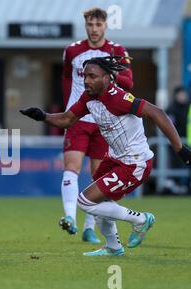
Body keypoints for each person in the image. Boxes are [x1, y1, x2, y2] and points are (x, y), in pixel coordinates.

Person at [20, 56, 191, 256]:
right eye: (85, 76)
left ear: (108, 78)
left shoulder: (118, 98)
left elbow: (157, 113)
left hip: (135, 163)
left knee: (85, 202)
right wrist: (43, 116)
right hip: (114, 159)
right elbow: (67, 119)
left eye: (92, 76)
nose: (86, 81)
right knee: (98, 202)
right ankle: (113, 247)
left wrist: (180, 148)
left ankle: (141, 220)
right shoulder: (88, 98)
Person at [60, 8, 134, 243]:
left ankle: (89, 228)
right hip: (79, 119)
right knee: (71, 167)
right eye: (90, 25)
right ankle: (69, 217)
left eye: (98, 25)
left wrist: (110, 72)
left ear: (105, 26)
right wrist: (67, 111)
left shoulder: (117, 51)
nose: (94, 29)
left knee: (98, 176)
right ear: (85, 25)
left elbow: (129, 82)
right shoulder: (72, 50)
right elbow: (65, 79)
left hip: (104, 121)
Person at [166, 86, 191, 193]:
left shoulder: (187, 107)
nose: (183, 96)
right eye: (181, 94)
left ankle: (184, 186)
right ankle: (174, 186)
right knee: (176, 163)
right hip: (176, 143)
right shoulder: (171, 109)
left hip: (187, 142)